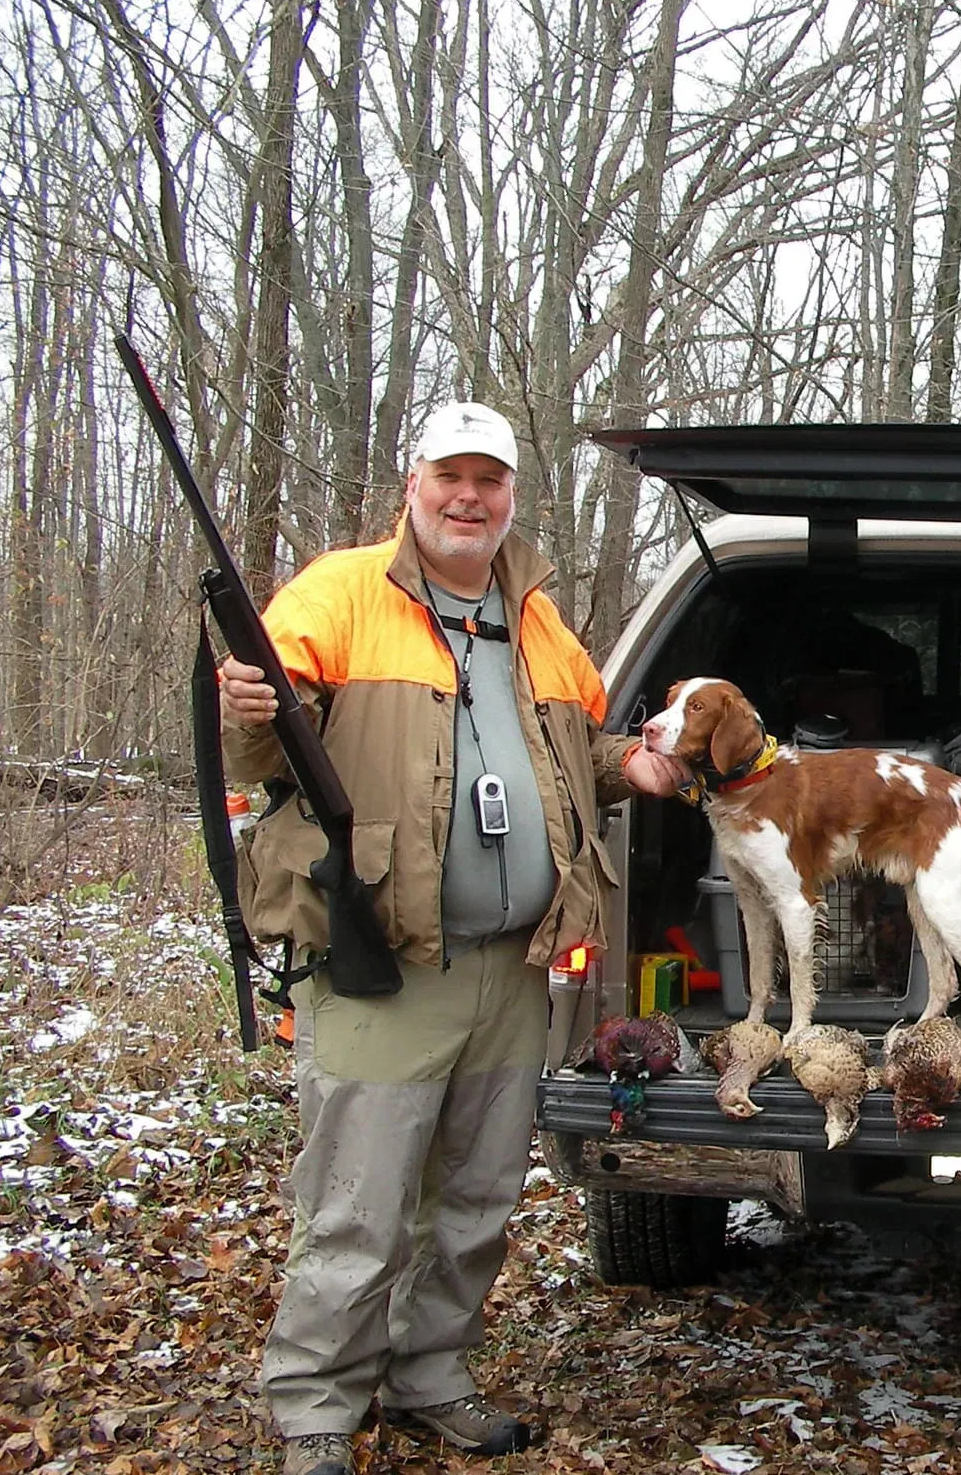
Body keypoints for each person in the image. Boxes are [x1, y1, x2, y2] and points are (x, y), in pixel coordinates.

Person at [219, 401, 681, 1475]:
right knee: (359, 1202)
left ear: (511, 494)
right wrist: (244, 708)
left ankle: (429, 1375)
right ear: (412, 484)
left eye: (489, 480)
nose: (468, 499)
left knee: (474, 1200)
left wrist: (634, 766)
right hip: (384, 960)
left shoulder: (538, 620)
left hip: (513, 965)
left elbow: (580, 750)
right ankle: (317, 1408)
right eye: (450, 477)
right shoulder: (338, 594)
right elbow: (261, 749)